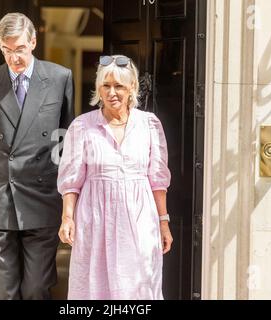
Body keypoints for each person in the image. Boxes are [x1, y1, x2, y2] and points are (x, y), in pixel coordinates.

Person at [0, 12, 74, 300]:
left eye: (20, 49)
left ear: (33, 42)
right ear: (0, 46)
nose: (14, 58)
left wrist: (65, 197)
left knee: (36, 289)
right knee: (5, 291)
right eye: (7, 50)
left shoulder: (59, 78)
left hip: (42, 196)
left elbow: (62, 143)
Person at [57, 55, 173, 300]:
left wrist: (164, 222)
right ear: (98, 88)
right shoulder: (81, 126)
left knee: (139, 284)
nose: (112, 92)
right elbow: (71, 179)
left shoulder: (149, 125)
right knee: (95, 286)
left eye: (119, 86)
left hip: (140, 219)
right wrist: (68, 217)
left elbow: (158, 179)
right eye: (105, 86)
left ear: (132, 88)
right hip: (95, 220)